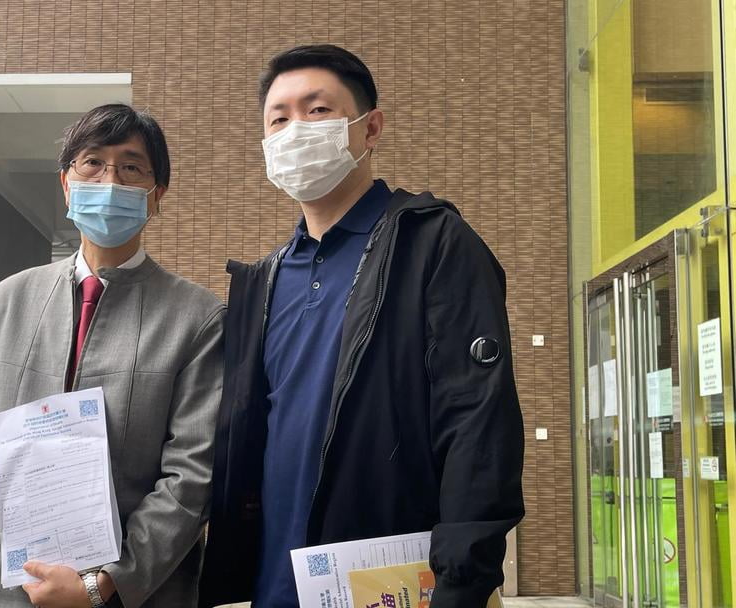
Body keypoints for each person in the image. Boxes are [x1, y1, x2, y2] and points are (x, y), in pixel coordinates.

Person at [199, 45, 524, 608]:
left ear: (370, 128)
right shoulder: (265, 279)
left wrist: (462, 584)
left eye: (317, 111)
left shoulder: (431, 243)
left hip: (394, 583)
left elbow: (477, 421)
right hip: (279, 584)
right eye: (279, 119)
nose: (295, 130)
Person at [0, 104, 224, 608]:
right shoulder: (7, 301)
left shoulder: (198, 317)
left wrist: (104, 585)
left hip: (130, 591)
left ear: (157, 195)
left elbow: (192, 476)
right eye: (92, 163)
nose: (110, 180)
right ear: (66, 184)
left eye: (131, 167)